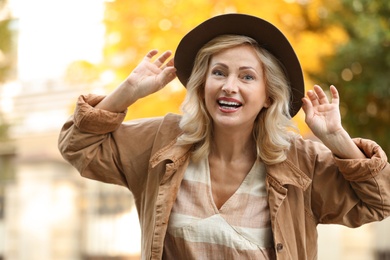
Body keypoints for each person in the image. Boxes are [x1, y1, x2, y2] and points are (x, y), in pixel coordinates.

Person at [58, 13, 390, 260]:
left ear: (269, 95)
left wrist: (337, 139)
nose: (229, 86)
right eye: (219, 72)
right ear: (203, 84)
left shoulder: (299, 162)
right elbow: (79, 146)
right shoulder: (164, 140)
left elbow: (381, 200)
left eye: (247, 76)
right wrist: (127, 92)